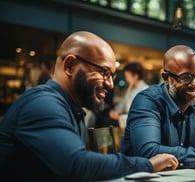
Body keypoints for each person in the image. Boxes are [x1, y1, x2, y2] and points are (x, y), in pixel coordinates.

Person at [0, 31, 178, 181]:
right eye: (104, 72)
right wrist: (149, 164)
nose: (109, 85)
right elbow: (78, 164)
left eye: (112, 76)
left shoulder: (71, 108)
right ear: (70, 66)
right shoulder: (42, 103)